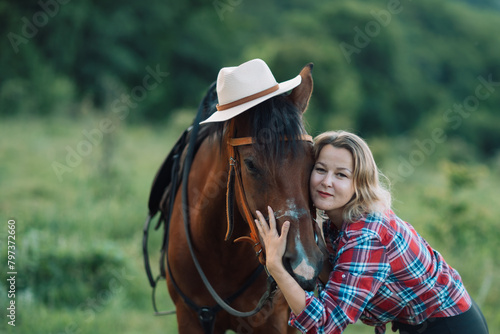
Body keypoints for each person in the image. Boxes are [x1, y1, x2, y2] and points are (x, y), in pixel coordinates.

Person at [255, 130, 489, 334]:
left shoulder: (366, 234)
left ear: (360, 183)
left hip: (448, 326)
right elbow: (335, 280)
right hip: (415, 323)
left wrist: (275, 266)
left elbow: (325, 325)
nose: (327, 182)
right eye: (321, 169)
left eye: (341, 175)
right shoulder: (335, 222)